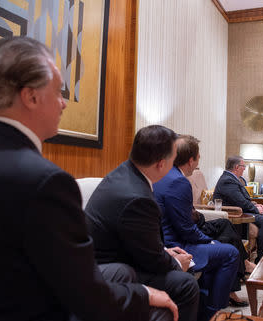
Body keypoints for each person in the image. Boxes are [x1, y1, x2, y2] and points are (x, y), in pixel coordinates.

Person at [0, 36, 177, 321]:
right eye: (58, 92)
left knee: (120, 272)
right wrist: (145, 294)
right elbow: (87, 298)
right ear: (31, 96)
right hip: (31, 309)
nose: (63, 103)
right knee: (160, 308)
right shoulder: (47, 181)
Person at [85, 125, 200, 321]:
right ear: (161, 164)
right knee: (186, 283)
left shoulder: (125, 172)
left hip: (116, 255)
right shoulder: (137, 198)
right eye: (173, 159)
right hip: (110, 269)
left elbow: (139, 239)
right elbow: (151, 260)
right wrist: (174, 262)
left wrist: (164, 252)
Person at [153, 135, 247, 321]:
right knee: (230, 253)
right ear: (191, 160)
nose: (197, 163)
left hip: (165, 239)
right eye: (198, 158)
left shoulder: (163, 175)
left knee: (219, 247)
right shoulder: (179, 182)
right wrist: (209, 240)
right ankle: (215, 312)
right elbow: (186, 229)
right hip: (177, 245)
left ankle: (203, 306)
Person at [213, 156, 263, 262]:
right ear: (237, 167)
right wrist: (255, 210)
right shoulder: (227, 180)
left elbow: (241, 199)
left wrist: (255, 205)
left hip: (241, 210)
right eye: (243, 166)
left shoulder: (233, 179)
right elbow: (240, 202)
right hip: (235, 213)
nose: (244, 169)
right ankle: (262, 259)